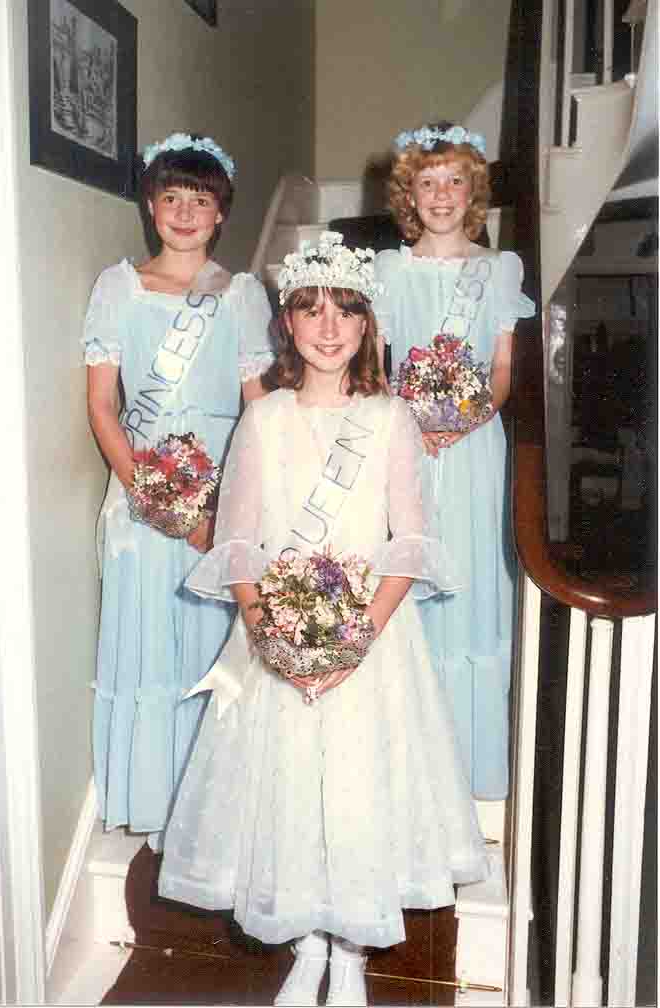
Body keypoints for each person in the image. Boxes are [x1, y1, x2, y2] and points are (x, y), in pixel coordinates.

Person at [158, 232, 488, 1008]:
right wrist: (271, 631)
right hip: (278, 631)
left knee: (355, 788)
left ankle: (351, 948)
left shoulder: (391, 419)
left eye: (345, 311)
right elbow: (237, 540)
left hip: (372, 640)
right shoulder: (265, 418)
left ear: (367, 325)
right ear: (288, 327)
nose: (329, 328)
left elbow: (408, 544)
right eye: (311, 312)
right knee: (292, 789)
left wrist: (354, 638)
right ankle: (308, 937)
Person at [82, 132, 274, 851]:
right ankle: (153, 802)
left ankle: (213, 807)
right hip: (140, 490)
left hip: (221, 487)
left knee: (208, 644)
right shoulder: (119, 288)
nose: (186, 212)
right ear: (151, 206)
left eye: (201, 199)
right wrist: (152, 495)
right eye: (172, 198)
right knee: (148, 639)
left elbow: (258, 406)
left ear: (221, 212)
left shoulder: (241, 294)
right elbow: (103, 407)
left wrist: (229, 504)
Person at [373, 122, 535, 800]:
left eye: (455, 181)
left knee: (467, 585)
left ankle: (469, 769)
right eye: (427, 182)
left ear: (474, 192)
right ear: (409, 193)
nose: (441, 195)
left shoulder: (500, 269)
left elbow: (500, 369)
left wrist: (464, 418)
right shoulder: (388, 270)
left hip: (473, 447)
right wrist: (410, 424)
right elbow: (374, 366)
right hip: (403, 443)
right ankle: (405, 773)